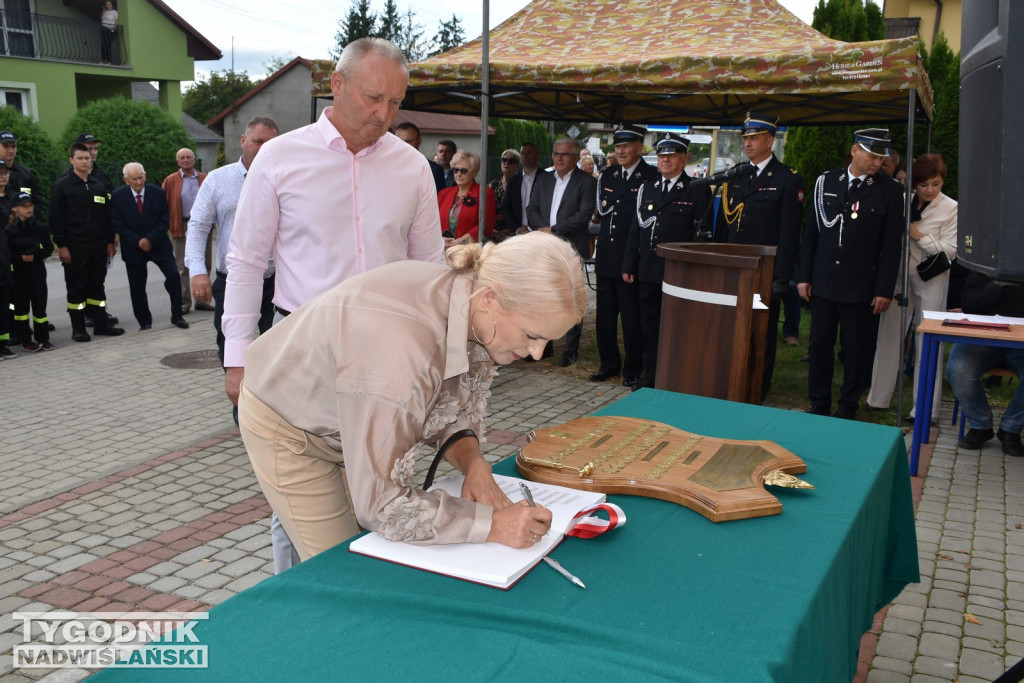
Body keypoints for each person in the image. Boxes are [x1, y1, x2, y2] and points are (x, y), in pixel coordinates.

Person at [222, 37, 443, 573]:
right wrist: (237, 355)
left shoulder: (412, 167)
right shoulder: (279, 158)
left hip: (386, 359)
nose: (383, 113)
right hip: (301, 352)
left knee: (382, 485)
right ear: (337, 85)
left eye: (395, 102)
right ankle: (293, 606)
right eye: (373, 97)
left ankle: (368, 599)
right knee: (294, 496)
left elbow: (430, 270)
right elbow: (247, 261)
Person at [239, 232, 582, 560]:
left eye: (547, 341)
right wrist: (491, 525)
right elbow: (382, 506)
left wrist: (473, 463)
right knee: (341, 568)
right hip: (290, 426)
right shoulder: (402, 353)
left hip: (352, 412)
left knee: (367, 550)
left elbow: (445, 405)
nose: (538, 353)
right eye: (532, 335)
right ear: (491, 298)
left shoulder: (470, 302)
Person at [798, 129, 902, 419]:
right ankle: (818, 402)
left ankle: (847, 405)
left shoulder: (890, 189)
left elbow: (892, 246)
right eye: (873, 155)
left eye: (882, 158)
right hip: (824, 280)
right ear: (855, 150)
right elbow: (811, 236)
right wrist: (804, 276)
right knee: (820, 345)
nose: (878, 163)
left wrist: (884, 289)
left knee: (856, 349)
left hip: (861, 284)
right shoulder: (826, 181)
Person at [715, 112, 805, 402]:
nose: (748, 143)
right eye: (746, 138)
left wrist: (781, 277)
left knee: (761, 334)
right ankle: (731, 381)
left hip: (763, 272)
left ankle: (757, 389)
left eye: (754, 138)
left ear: (770, 140)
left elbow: (789, 235)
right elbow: (725, 229)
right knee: (731, 330)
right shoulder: (737, 175)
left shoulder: (787, 179)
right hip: (734, 269)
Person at [867, 153, 957, 418]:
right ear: (913, 183)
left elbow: (951, 251)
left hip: (932, 278)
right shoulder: (902, 201)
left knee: (927, 340)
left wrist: (919, 237)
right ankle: (878, 398)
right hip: (898, 277)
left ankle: (925, 409)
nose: (930, 190)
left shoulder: (951, 207)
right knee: (888, 335)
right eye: (924, 184)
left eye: (936, 184)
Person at [187, 116, 279, 364]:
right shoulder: (218, 180)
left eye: (271, 143)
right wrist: (197, 271)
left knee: (278, 354)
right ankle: (239, 402)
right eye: (258, 141)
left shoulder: (287, 179)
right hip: (231, 283)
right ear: (243, 140)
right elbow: (198, 227)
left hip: (277, 283)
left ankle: (266, 402)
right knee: (233, 353)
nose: (263, 148)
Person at [624, 132, 711, 390]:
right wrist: (629, 263)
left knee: (678, 328)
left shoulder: (697, 189)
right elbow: (635, 229)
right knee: (649, 327)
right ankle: (651, 377)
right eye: (661, 155)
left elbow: (702, 236)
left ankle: (676, 376)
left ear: (684, 160)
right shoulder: (647, 189)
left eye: (671, 155)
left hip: (679, 273)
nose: (665, 160)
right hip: (649, 270)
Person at [590, 123, 655, 389]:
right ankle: (608, 364)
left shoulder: (649, 176)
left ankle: (632, 368)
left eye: (626, 146)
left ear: (640, 147)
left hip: (630, 259)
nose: (621, 151)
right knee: (604, 317)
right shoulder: (609, 175)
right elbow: (603, 213)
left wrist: (633, 259)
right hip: (606, 255)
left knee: (631, 319)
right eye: (617, 147)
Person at [526, 137, 596, 367]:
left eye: (564, 154)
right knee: (542, 298)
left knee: (571, 298)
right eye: (556, 153)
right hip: (545, 247)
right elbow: (531, 208)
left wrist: (554, 229)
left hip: (571, 247)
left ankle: (570, 350)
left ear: (576, 157)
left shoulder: (586, 182)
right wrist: (543, 230)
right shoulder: (544, 179)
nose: (559, 158)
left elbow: (584, 215)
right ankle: (543, 347)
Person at [50, 142, 124, 342]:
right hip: (75, 246)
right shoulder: (62, 186)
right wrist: (62, 246)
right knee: (76, 287)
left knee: (97, 285)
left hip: (99, 245)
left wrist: (110, 240)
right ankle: (79, 328)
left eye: (87, 157)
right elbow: (56, 219)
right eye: (80, 158)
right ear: (71, 160)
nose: (85, 161)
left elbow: (107, 216)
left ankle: (101, 324)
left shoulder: (97, 185)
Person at [947, 272, 1024, 457]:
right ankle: (980, 425)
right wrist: (997, 284)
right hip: (982, 338)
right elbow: (969, 303)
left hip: (1021, 344)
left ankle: (1011, 428)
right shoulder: (987, 260)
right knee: (959, 368)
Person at [110, 163, 188, 331]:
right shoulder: (117, 196)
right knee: (137, 286)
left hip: (158, 243)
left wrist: (150, 239)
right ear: (126, 180)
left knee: (174, 276)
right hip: (133, 246)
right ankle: (144, 321)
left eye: (141, 177)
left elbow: (164, 219)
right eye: (134, 179)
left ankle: (177, 315)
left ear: (145, 175)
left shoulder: (158, 193)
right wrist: (138, 241)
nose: (139, 182)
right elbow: (118, 223)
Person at [162, 148, 208, 315]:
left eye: (189, 157)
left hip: (203, 226)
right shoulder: (171, 181)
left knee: (205, 262)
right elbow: (164, 203)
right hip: (181, 225)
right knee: (183, 266)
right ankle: (184, 302)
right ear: (178, 161)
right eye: (182, 158)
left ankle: (202, 300)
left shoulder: (204, 178)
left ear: (194, 159)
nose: (186, 160)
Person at [7, 192, 53, 352]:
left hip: (37, 271)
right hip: (19, 273)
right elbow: (8, 253)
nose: (28, 209)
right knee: (21, 309)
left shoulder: (40, 227)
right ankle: (25, 339)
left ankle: (43, 338)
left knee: (40, 306)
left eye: (30, 205)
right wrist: (21, 258)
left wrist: (35, 255)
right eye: (24, 206)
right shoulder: (10, 230)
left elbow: (48, 248)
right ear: (15, 208)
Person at [436, 150, 496, 247]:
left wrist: (458, 242)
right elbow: (433, 222)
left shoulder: (484, 193)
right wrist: (441, 241)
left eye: (463, 170)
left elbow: (485, 225)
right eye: (455, 170)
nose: (458, 174)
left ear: (474, 173)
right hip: (442, 249)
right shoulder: (443, 194)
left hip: (469, 251)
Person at [502, 141, 546, 234]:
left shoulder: (547, 178)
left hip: (540, 232)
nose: (525, 156)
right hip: (518, 233)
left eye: (529, 153)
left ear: (538, 156)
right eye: (523, 153)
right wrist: (517, 228)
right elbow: (506, 207)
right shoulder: (513, 181)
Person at [394, 121, 446, 193]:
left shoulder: (433, 170)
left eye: (409, 141)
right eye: (399, 141)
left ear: (419, 141)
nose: (404, 145)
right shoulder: (386, 166)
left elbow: (439, 200)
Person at [0, 131, 42, 216]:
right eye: (6, 146)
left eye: (13, 146)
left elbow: (37, 201)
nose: (11, 150)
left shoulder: (26, 174)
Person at [488, 148, 519, 242]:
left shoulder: (522, 184)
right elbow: (487, 208)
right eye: (504, 160)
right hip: (494, 231)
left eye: (511, 161)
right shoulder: (493, 184)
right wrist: (490, 229)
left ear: (517, 165)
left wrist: (511, 230)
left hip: (515, 232)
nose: (506, 163)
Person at [0, 161, 14, 358]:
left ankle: (3, 343)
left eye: (5, 172)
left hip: (11, 256)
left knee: (5, 303)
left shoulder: (13, 199)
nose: (3, 176)